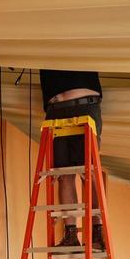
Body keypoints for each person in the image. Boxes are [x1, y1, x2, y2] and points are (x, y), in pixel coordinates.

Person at [40, 69, 103, 249]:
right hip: (55, 111)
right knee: (63, 175)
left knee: (88, 172)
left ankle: (96, 231)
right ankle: (70, 233)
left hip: (84, 104)